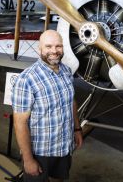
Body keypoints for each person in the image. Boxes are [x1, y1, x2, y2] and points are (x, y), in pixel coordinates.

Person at [12, 30, 83, 182]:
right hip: (40, 151)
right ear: (40, 49)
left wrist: (77, 129)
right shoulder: (27, 79)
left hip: (64, 147)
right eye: (48, 46)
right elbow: (20, 123)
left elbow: (71, 102)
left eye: (58, 46)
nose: (54, 51)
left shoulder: (66, 71)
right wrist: (28, 160)